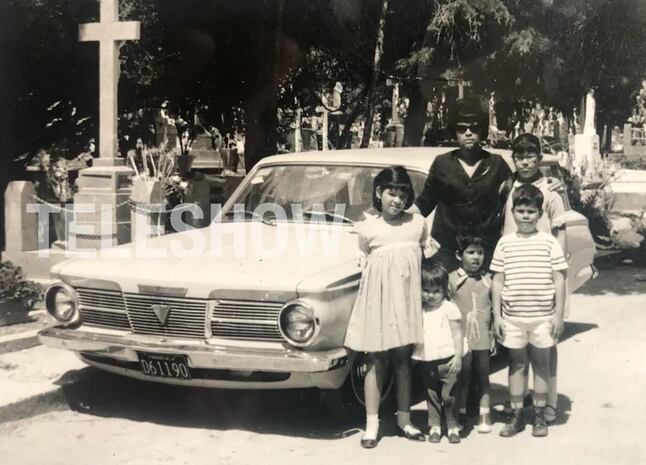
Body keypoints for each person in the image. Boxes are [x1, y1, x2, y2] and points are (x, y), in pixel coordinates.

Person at [344, 165, 437, 448]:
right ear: (378, 193)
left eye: (402, 194)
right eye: (390, 193)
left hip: (407, 302)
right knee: (376, 360)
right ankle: (371, 424)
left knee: (402, 361)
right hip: (379, 302)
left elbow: (428, 260)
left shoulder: (417, 224)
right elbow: (363, 263)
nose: (396, 200)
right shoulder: (367, 226)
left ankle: (404, 419)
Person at [491, 184, 568, 438]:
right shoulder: (505, 243)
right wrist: (498, 315)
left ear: (540, 214)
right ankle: (516, 416)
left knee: (541, 365)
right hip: (513, 317)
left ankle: (539, 416)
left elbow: (559, 279)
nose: (526, 216)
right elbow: (498, 281)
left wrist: (558, 315)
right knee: (517, 365)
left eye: (531, 211)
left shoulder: (548, 243)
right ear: (512, 213)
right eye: (521, 211)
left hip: (543, 316)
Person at [502, 133, 568, 424]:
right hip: (514, 268)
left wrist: (559, 269)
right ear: (513, 159)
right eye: (520, 156)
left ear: (539, 159)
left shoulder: (551, 191)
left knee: (545, 346)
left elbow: (560, 229)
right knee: (516, 347)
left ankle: (549, 401)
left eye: (531, 156)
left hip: (544, 273)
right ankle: (519, 401)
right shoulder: (507, 186)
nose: (525, 161)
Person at [413, 98, 513, 271]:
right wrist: (389, 217)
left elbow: (518, 194)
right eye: (462, 128)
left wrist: (551, 183)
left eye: (474, 128)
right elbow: (424, 204)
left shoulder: (496, 164)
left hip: (484, 254)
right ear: (454, 131)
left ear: (481, 131)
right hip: (447, 252)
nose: (468, 133)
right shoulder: (442, 163)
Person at [412, 263, 463, 444]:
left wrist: (458, 356)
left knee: (449, 396)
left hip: (448, 360)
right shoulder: (420, 310)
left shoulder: (449, 308)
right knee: (431, 394)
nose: (431, 295)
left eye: (436, 290)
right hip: (427, 360)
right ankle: (434, 426)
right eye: (426, 290)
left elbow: (457, 333)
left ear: (444, 290)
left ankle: (452, 426)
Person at [449, 233, 493, 434]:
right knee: (463, 377)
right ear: (459, 255)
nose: (476, 257)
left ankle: (485, 415)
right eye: (470, 252)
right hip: (462, 337)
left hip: (483, 334)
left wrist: (493, 334)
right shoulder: (452, 279)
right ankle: (463, 415)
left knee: (483, 375)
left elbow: (494, 308)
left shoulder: (489, 280)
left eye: (480, 253)